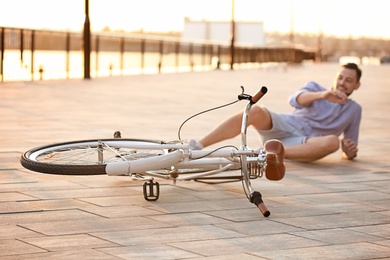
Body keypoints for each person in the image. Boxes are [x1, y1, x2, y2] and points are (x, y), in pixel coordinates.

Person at [192, 63, 362, 163]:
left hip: (304, 144)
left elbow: (349, 151)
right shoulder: (316, 88)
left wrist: (349, 151)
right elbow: (295, 100)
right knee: (257, 110)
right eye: (340, 77)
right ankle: (198, 145)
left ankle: (268, 153)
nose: (342, 83)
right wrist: (323, 95)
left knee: (333, 142)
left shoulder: (354, 110)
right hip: (286, 124)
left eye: (348, 80)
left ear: (356, 86)